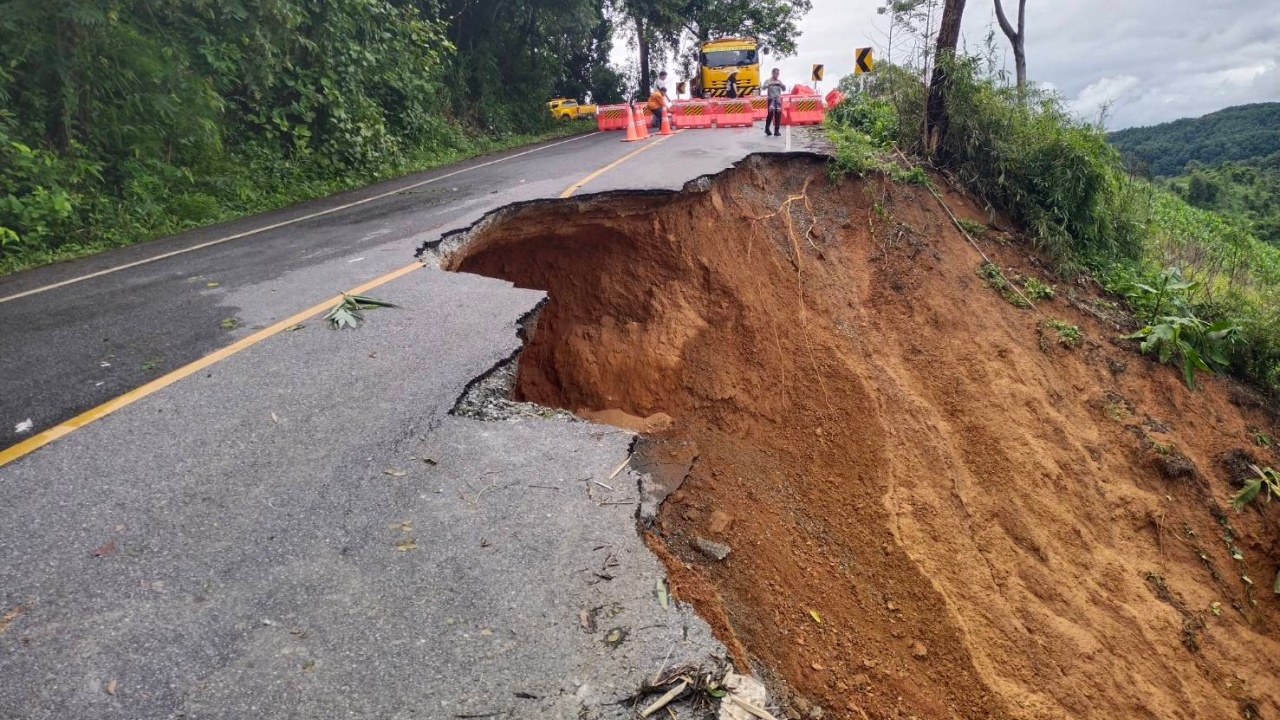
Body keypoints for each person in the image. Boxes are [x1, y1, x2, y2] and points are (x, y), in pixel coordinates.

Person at [762, 67, 786, 136]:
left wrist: (782, 86)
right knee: (770, 114)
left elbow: (784, 89)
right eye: (775, 73)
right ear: (772, 73)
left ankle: (776, 130)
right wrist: (768, 85)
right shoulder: (768, 80)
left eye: (778, 74)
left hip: (777, 99)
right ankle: (767, 129)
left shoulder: (779, 81)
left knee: (778, 115)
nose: (777, 75)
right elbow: (763, 88)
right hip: (771, 99)